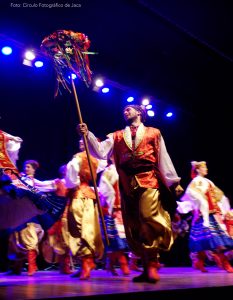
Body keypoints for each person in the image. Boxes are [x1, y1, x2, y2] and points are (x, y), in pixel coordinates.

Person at [77, 104, 183, 283]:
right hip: (127, 185)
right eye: (124, 110)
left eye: (129, 109)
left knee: (148, 217)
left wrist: (173, 181)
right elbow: (101, 152)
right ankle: (145, 266)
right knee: (135, 224)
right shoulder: (117, 135)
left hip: (149, 180)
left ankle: (152, 266)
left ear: (140, 112)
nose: (125, 111)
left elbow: (162, 157)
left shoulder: (153, 133)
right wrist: (88, 134)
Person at [177, 161, 233, 273]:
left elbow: (219, 197)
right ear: (198, 169)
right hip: (203, 215)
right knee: (209, 240)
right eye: (204, 167)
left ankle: (201, 262)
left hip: (213, 214)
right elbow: (191, 193)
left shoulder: (208, 181)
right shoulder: (196, 181)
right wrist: (199, 203)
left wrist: (223, 210)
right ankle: (215, 262)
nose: (206, 169)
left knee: (213, 239)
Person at [63, 139, 105, 280]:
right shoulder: (98, 160)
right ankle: (86, 263)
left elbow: (71, 179)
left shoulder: (78, 158)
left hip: (79, 195)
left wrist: (71, 186)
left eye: (84, 141)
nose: (81, 142)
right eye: (80, 141)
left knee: (79, 228)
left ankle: (87, 263)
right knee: (87, 228)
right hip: (89, 196)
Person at [98, 157, 130, 276]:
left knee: (121, 238)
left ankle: (110, 264)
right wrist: (111, 206)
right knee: (115, 238)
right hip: (113, 209)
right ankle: (123, 263)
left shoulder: (126, 171)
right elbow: (105, 190)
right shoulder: (109, 171)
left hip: (124, 209)